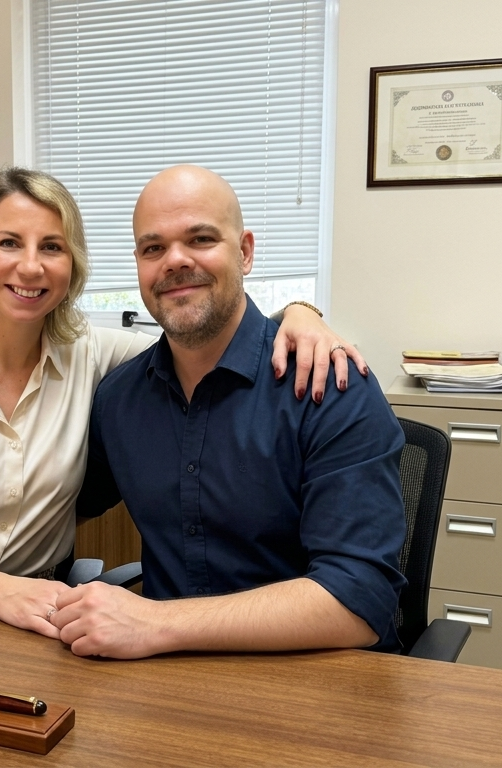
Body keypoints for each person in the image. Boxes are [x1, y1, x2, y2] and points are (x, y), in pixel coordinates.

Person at [0, 166, 368, 641]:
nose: (30, 266)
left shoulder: (96, 357)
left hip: (41, 623)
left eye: (51, 247)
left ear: (70, 268)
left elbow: (203, 332)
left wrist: (300, 313)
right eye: (9, 243)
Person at [53, 165, 406, 658]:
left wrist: (155, 622)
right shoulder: (120, 400)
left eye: (200, 238)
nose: (175, 261)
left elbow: (359, 598)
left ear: (244, 252)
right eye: (153, 248)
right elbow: (59, 503)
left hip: (321, 684)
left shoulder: (329, 384)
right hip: (170, 681)